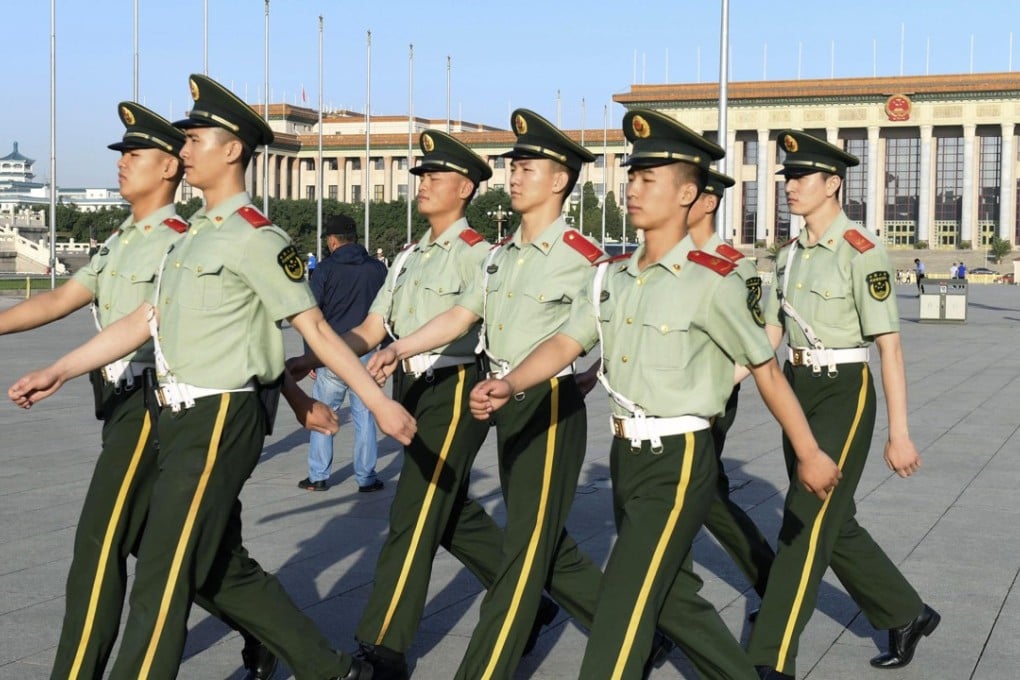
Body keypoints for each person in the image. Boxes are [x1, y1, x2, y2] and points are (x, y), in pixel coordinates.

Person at [8, 74, 416, 680]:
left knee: (164, 569)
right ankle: (327, 669)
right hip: (175, 414)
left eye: (196, 137)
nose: (185, 149)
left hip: (222, 411)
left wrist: (373, 403)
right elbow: (145, 322)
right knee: (202, 563)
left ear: (232, 149)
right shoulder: (189, 238)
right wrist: (60, 370)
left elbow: (317, 331)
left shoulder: (256, 236)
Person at [469, 110, 841, 680]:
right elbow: (569, 338)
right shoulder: (612, 276)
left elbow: (766, 369)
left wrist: (809, 451)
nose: (634, 189)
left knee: (621, 605)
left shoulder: (713, 279)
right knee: (671, 598)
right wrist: (512, 381)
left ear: (689, 193)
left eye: (649, 180)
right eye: (632, 177)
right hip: (625, 454)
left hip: (680, 456)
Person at [290, 129, 554, 679]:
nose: (424, 184)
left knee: (413, 514)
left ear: (464, 188)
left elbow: (458, 320)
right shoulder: (409, 256)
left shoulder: (480, 255)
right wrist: (320, 358)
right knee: (449, 511)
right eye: (422, 176)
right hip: (409, 386)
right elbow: (371, 325)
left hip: (454, 388)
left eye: (435, 177)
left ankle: (384, 647)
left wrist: (397, 347)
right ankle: (535, 601)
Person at [368, 109, 612, 680]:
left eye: (528, 166)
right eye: (515, 165)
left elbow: (604, 325)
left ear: (560, 180)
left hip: (545, 404)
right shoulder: (500, 256)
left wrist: (593, 371)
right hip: (500, 400)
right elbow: (460, 314)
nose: (516, 174)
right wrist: (398, 351)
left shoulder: (583, 257)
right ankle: (628, 630)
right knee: (543, 543)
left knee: (526, 553)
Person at [747, 130, 939, 680]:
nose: (790, 187)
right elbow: (771, 336)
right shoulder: (788, 255)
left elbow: (890, 346)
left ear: (833, 183)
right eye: (786, 178)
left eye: (801, 178)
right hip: (797, 390)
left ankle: (770, 655)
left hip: (843, 392)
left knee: (806, 518)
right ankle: (907, 612)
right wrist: (721, 384)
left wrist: (899, 433)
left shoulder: (861, 250)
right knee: (835, 518)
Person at [685, 168, 776, 604]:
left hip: (710, 394)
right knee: (699, 493)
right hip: (662, 394)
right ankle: (771, 579)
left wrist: (722, 384)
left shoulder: (736, 267)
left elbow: (762, 338)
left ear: (708, 202)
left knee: (691, 492)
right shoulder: (666, 257)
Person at [298, 213, 387, 493]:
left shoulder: (324, 270)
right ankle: (366, 477)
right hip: (367, 352)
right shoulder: (377, 269)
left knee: (324, 413)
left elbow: (311, 316)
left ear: (333, 241)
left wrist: (310, 356)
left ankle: (319, 475)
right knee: (366, 417)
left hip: (331, 353)